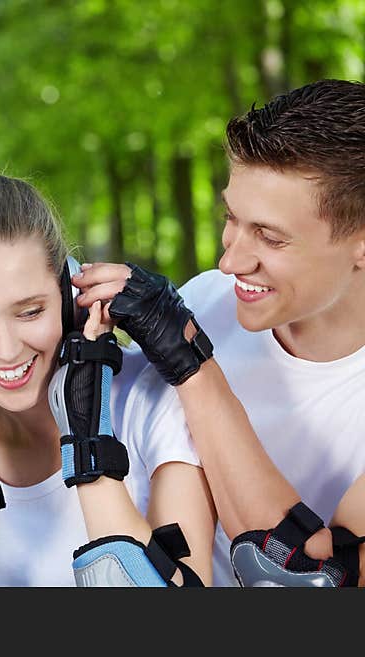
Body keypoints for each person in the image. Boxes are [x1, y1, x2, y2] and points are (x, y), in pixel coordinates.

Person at [75, 79, 365, 586]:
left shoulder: (188, 324)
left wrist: (192, 364)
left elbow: (315, 578)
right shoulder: (209, 297)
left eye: (270, 238)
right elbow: (89, 404)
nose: (229, 260)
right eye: (231, 218)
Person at [0, 175, 216, 586]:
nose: (5, 349)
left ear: (69, 297)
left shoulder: (151, 400)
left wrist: (90, 443)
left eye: (30, 312)